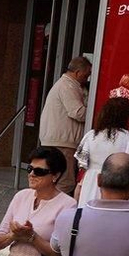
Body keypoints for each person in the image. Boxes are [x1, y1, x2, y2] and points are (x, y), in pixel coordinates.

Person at [38, 56, 90, 194]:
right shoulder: (68, 86)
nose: (87, 79)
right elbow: (78, 112)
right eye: (86, 75)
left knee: (52, 180)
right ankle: (55, 213)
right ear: (78, 73)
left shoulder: (64, 84)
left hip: (57, 140)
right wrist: (96, 113)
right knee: (65, 182)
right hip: (63, 143)